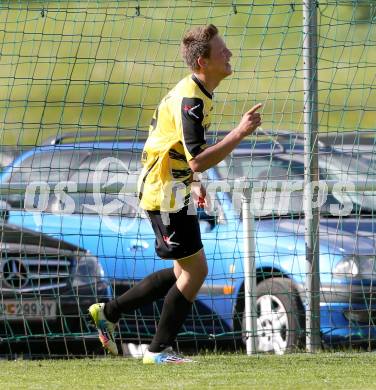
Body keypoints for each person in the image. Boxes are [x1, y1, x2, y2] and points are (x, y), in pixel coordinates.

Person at [89, 24, 262, 364]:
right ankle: (157, 351)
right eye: (221, 50)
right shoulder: (191, 100)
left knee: (186, 271)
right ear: (202, 61)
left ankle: (108, 312)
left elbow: (176, 149)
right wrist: (239, 133)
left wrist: (193, 183)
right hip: (164, 193)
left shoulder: (196, 92)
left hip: (173, 188)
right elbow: (197, 157)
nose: (228, 54)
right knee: (195, 272)